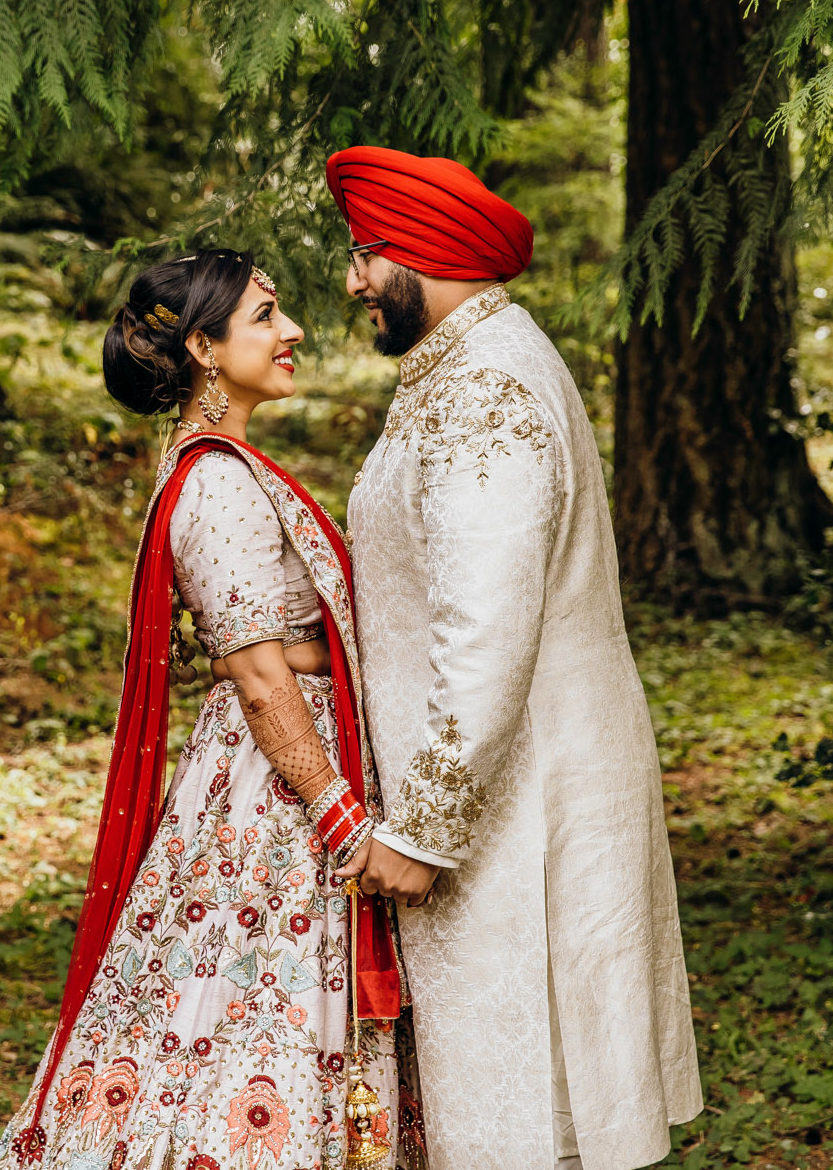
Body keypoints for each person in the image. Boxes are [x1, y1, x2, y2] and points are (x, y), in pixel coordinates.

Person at [0, 248, 425, 1170]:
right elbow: (260, 677)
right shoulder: (218, 480)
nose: (292, 329)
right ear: (203, 347)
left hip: (279, 782)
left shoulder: (217, 466)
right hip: (276, 802)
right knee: (250, 1008)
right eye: (266, 314)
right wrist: (343, 822)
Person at [326, 147, 704, 1170]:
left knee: (517, 1107)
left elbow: (485, 628)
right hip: (518, 785)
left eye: (366, 253)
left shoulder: (482, 389)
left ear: (422, 251)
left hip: (513, 804)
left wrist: (423, 831)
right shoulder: (466, 365)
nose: (352, 278)